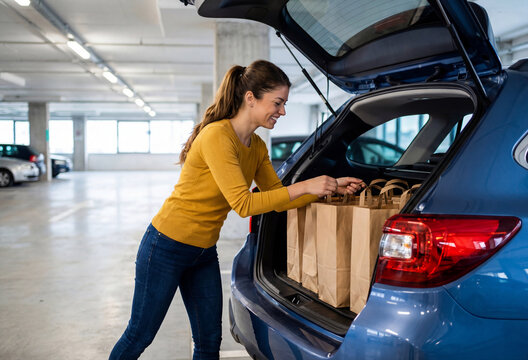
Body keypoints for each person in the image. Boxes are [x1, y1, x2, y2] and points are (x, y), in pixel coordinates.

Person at [109, 59, 365, 360]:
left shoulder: (256, 146)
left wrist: (329, 185)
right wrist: (308, 186)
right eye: (278, 103)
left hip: (203, 251)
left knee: (208, 342)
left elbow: (277, 197)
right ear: (250, 98)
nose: (282, 111)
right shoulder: (218, 136)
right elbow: (243, 204)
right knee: (139, 335)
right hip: (166, 246)